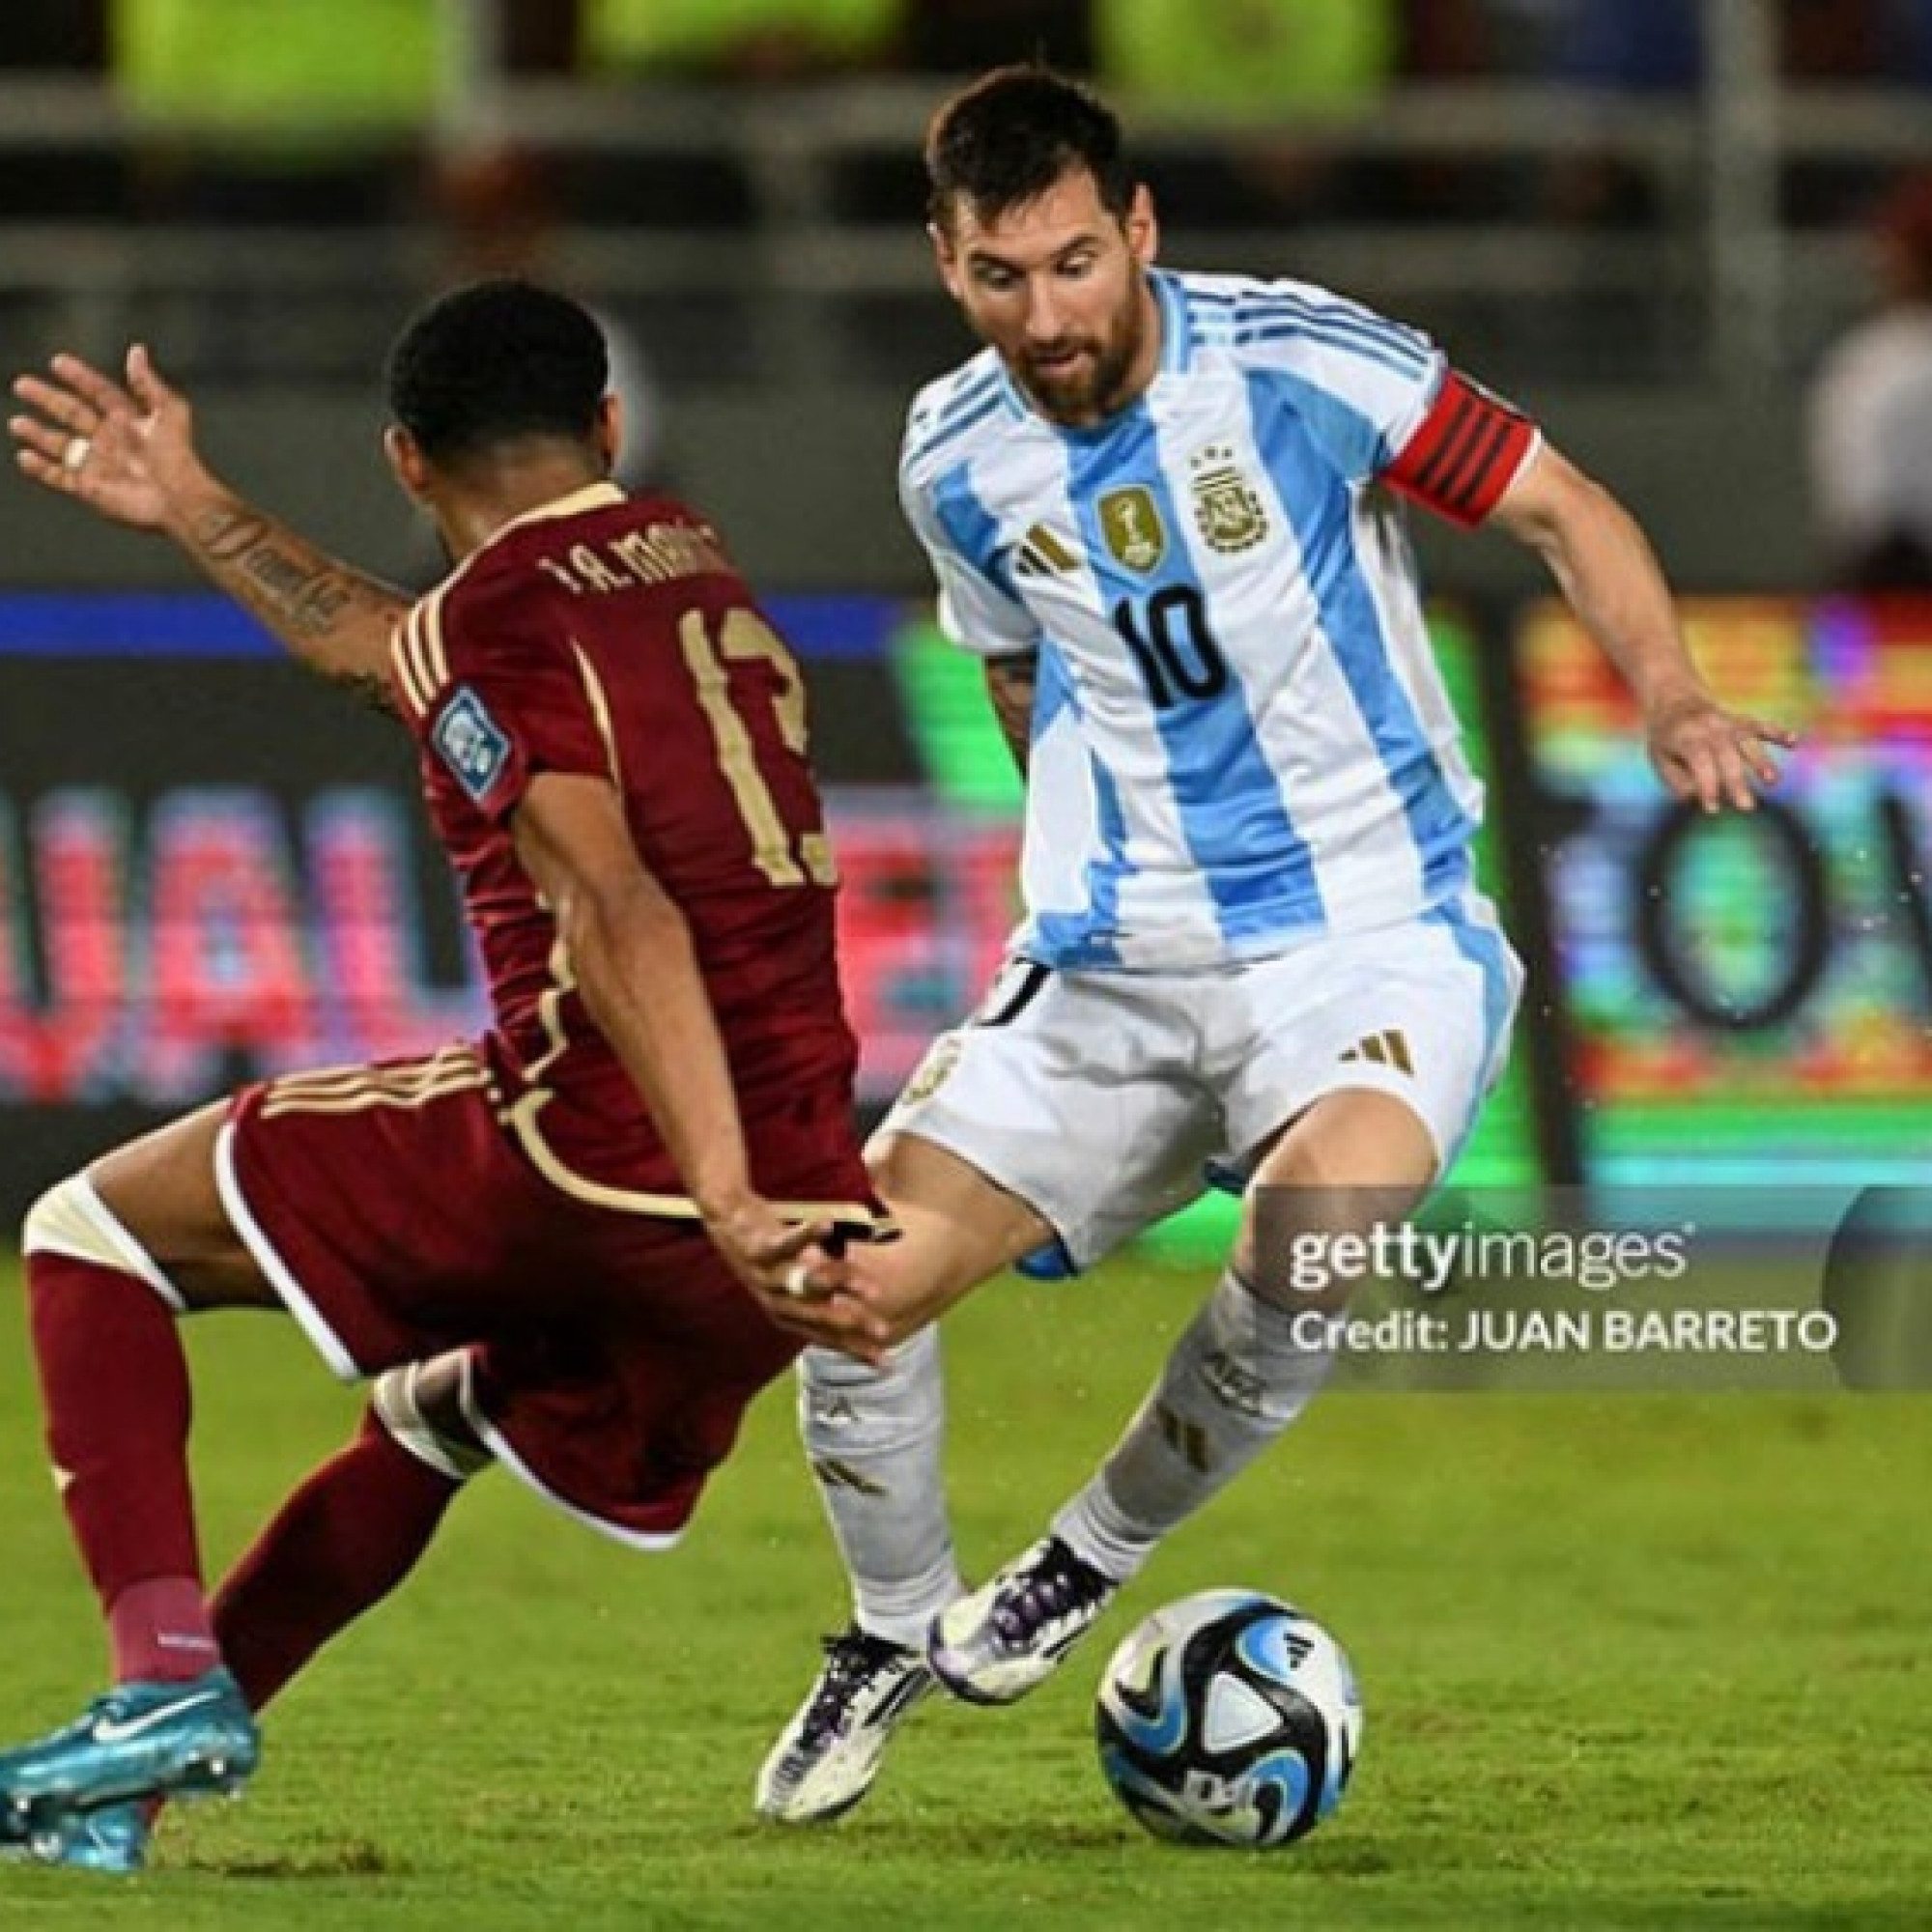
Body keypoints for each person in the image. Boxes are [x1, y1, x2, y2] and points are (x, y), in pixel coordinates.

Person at [744, 66, 1793, 1827]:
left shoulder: (1301, 363)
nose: (1047, 314)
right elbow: (1011, 659)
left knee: (1319, 1231)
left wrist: (1671, 692)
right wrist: (1082, 841)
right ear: (945, 263)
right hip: (1118, 956)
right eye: (1001, 277)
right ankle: (884, 1632)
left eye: (1076, 264)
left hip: (1371, 939)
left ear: (1139, 230)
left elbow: (1559, 505)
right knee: (845, 1283)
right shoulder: (955, 456)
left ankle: (1081, 1562)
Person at [2, 278, 883, 1872]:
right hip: (798, 1210)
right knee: (430, 1415)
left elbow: (615, 908)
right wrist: (198, 509)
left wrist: (716, 1184)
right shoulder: (683, 558)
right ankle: (126, 1794)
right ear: (607, 426)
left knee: (89, 1234)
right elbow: (392, 653)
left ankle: (156, 1684)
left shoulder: (499, 621)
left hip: (621, 1161)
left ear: (406, 462)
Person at [1808, 169, 1932, 590]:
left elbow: (1860, 514)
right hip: (1894, 578)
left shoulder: (1876, 363)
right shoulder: (1877, 360)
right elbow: (1868, 523)